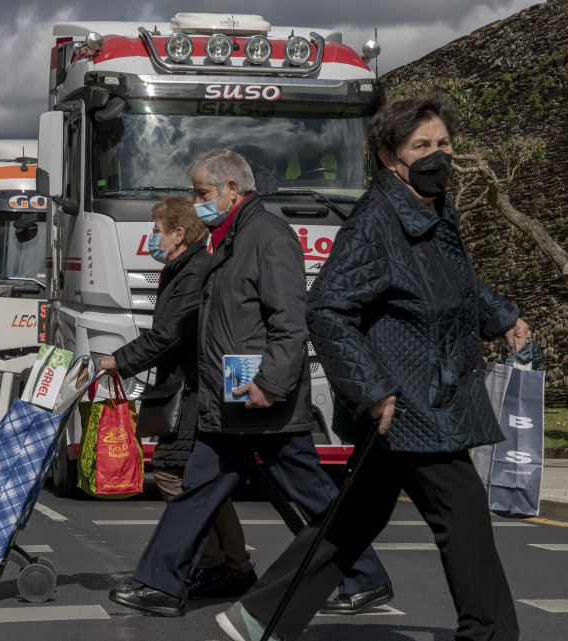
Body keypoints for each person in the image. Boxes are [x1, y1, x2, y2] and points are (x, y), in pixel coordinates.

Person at [216, 94, 521, 641]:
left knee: (355, 519)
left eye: (443, 143)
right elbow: (328, 309)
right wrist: (374, 390)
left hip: (424, 396)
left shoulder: (434, 207)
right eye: (420, 146)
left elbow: (455, 283)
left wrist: (501, 317)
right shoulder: (377, 222)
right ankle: (490, 634)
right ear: (388, 156)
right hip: (408, 400)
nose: (437, 155)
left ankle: (258, 614)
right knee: (466, 514)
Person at [108, 149, 391, 618]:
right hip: (232, 400)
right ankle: (160, 583)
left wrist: (269, 383)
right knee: (198, 491)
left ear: (231, 190)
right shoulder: (233, 238)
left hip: (262, 401)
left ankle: (366, 577)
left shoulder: (268, 237)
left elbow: (289, 321)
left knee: (312, 494)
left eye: (202, 193)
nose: (197, 203)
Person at [98, 197, 256, 598]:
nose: (153, 238)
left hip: (194, 386)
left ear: (178, 234)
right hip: (189, 384)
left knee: (173, 472)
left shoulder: (193, 271)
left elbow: (170, 333)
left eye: (157, 230)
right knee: (205, 480)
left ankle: (211, 564)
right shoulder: (181, 268)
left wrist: (119, 360)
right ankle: (235, 568)